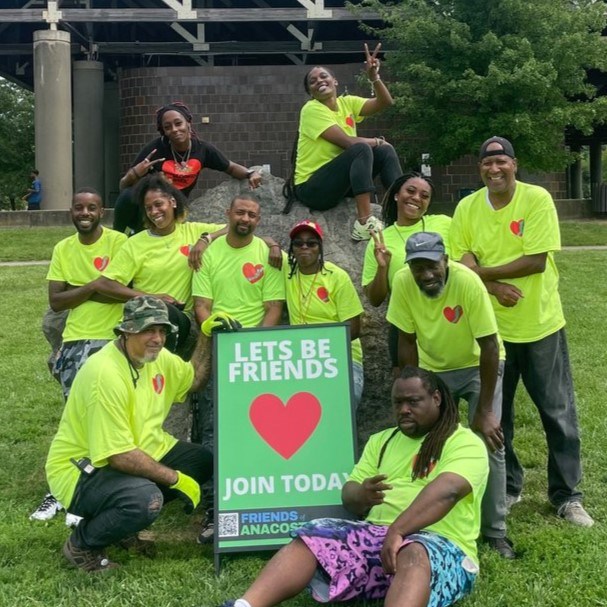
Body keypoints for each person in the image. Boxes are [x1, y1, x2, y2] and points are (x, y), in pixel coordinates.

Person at [217, 366, 488, 607]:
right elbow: (349, 494)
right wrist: (362, 494)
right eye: (398, 403)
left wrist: (399, 531)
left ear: (437, 399)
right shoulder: (381, 441)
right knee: (314, 534)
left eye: (413, 401)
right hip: (378, 539)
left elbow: (448, 490)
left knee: (414, 550)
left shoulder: (464, 442)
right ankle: (245, 604)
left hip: (439, 544)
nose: (404, 409)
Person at [450, 136, 593, 527]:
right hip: (491, 331)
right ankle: (510, 487)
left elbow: (535, 261)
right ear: (480, 168)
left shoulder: (537, 199)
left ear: (515, 164)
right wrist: (491, 286)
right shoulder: (466, 207)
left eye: (501, 162)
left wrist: (480, 273)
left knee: (557, 411)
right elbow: (461, 259)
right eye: (487, 163)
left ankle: (567, 496)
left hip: (540, 324)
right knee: (499, 414)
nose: (494, 169)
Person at [45, 296, 214, 572]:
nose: (157, 338)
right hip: (81, 468)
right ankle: (82, 544)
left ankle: (123, 525)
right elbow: (118, 455)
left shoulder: (157, 358)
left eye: (162, 330)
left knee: (202, 460)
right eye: (148, 330)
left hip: (137, 449)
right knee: (145, 499)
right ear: (125, 331)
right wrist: (175, 479)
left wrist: (206, 334)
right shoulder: (105, 373)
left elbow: (193, 378)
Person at [386, 232, 514, 559]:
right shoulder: (402, 282)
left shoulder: (468, 282)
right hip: (433, 369)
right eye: (418, 268)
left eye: (432, 266)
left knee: (489, 439)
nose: (426, 275)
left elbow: (488, 345)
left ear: (445, 260)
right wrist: (412, 390)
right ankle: (428, 518)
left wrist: (484, 411)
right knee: (431, 441)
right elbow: (406, 339)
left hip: (477, 364)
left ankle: (495, 531)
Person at [30, 188, 127, 523]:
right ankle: (61, 491)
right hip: (74, 340)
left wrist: (79, 289)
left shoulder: (118, 243)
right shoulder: (63, 248)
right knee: (75, 417)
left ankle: (89, 492)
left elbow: (122, 293)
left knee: (105, 419)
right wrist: (95, 286)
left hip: (112, 342)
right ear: (71, 212)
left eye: (92, 207)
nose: (84, 212)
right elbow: (56, 301)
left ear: (102, 211)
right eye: (78, 208)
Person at [192, 193, 285, 542]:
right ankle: (214, 512)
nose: (246, 219)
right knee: (216, 433)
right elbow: (202, 305)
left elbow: (273, 307)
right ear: (228, 214)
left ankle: (259, 505)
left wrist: (251, 348)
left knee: (261, 432)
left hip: (256, 354)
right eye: (240, 212)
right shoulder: (210, 252)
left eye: (253, 215)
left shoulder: (268, 254)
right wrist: (221, 336)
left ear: (259, 221)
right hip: (219, 350)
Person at [283, 43, 402, 241]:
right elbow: (347, 142)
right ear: (311, 92)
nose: (319, 81)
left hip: (339, 185)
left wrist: (375, 78)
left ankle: (399, 212)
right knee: (361, 148)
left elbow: (385, 102)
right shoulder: (311, 109)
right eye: (313, 81)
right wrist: (377, 140)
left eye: (324, 76)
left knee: (385, 152)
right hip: (313, 188)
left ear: (335, 81)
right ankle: (364, 221)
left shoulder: (347, 103)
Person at [113, 101, 262, 235]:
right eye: (168, 127)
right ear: (163, 131)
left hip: (176, 206)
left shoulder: (202, 149)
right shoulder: (155, 150)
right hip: (152, 207)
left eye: (178, 123)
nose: (175, 129)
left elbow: (230, 167)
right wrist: (135, 173)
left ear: (188, 123)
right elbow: (123, 186)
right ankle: (119, 236)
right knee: (129, 195)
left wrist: (251, 173)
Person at [362, 172, 451, 377]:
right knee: (412, 391)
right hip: (405, 329)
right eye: (410, 191)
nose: (416, 198)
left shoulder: (444, 224)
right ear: (396, 195)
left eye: (424, 195)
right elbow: (375, 299)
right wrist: (383, 267)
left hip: (445, 321)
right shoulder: (380, 240)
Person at [285, 219, 364, 407]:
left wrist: (318, 346)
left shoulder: (336, 277)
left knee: (344, 402)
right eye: (298, 243)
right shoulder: (286, 272)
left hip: (340, 356)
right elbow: (256, 241)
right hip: (301, 361)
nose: (304, 247)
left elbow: (354, 329)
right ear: (292, 249)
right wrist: (272, 244)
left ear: (319, 247)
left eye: (311, 243)